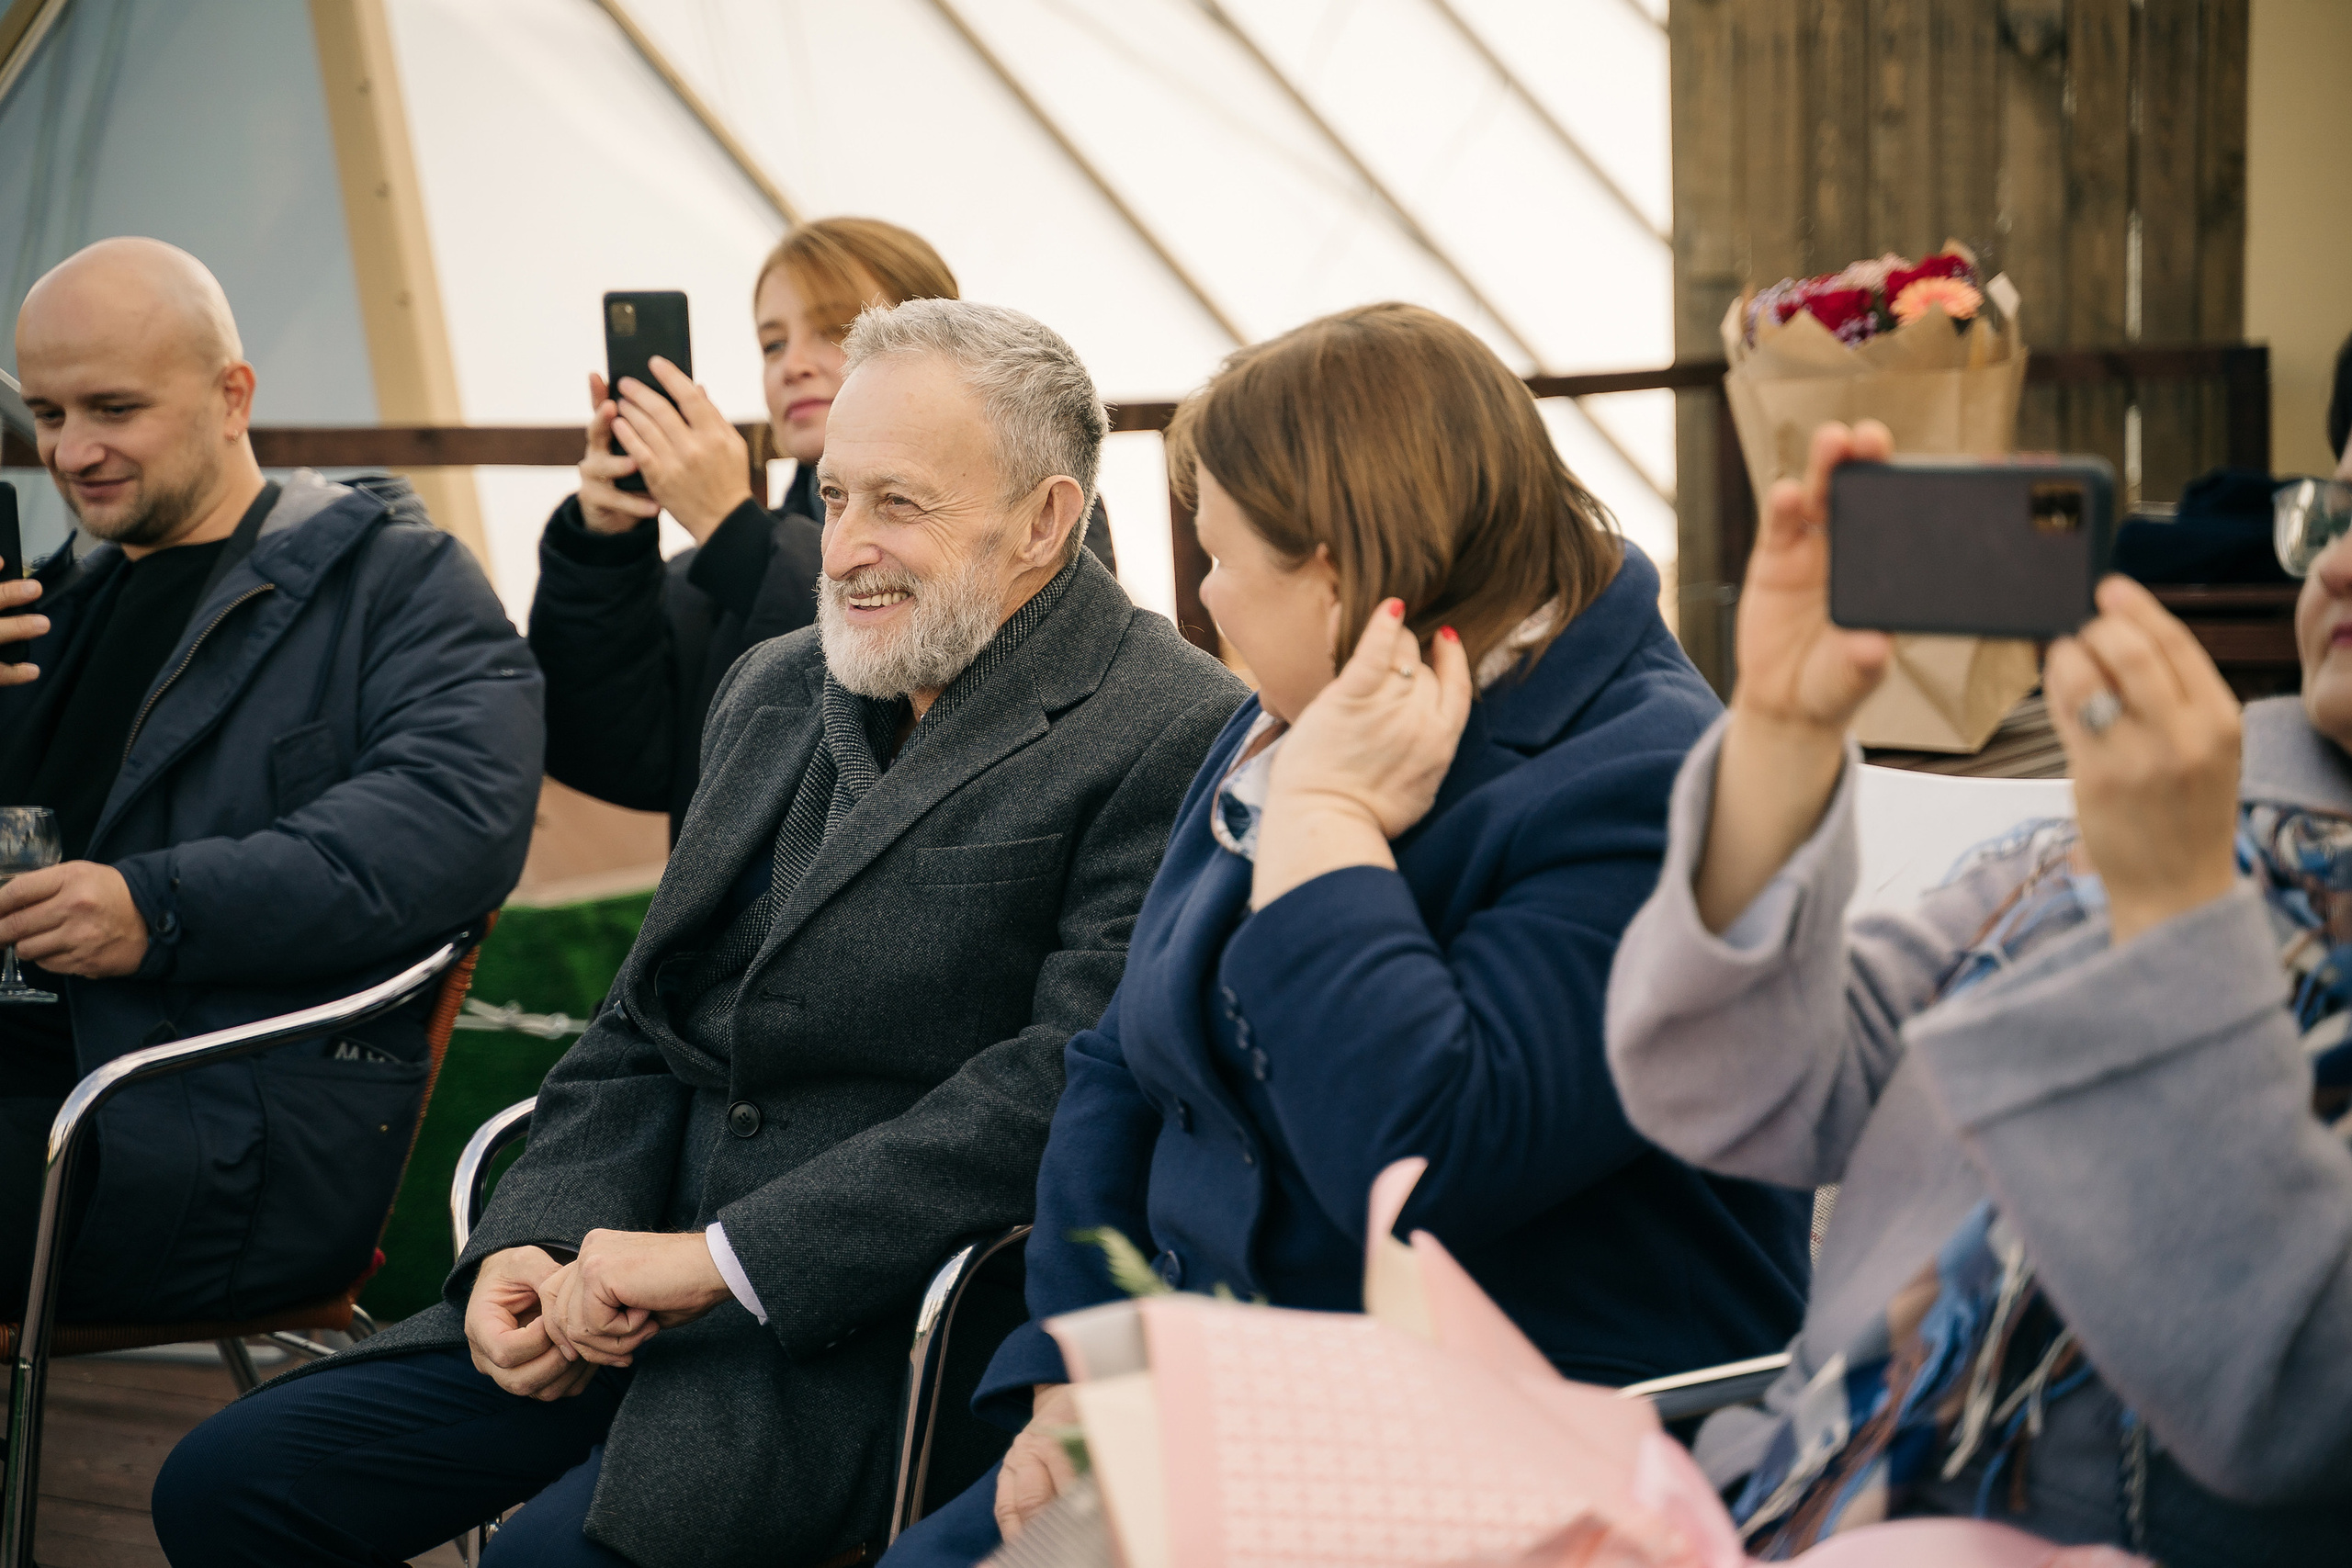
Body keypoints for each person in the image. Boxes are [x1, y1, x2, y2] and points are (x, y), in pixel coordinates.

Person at [153, 299, 1247, 1568]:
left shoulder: (1170, 723)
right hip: (616, 1281)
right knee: (227, 1485)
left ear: (1046, 520)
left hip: (862, 1329)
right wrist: (533, 1240)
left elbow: (1050, 1092)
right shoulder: (776, 683)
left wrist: (719, 1260)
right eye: (833, 497)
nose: (845, 549)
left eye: (898, 504)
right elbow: (639, 1020)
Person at [886, 303, 1814, 1566]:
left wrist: (1325, 830)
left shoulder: (1642, 784)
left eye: (1221, 560)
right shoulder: (1304, 707)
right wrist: (1075, 1362)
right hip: (1223, 1402)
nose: (1204, 604)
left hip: (1515, 1447)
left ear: (1333, 577)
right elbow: (1123, 1059)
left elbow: (1424, 1161)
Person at [1602, 420, 2352, 1563]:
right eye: (2335, 518)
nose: (2337, 565)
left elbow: (2287, 1403)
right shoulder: (2128, 831)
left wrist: (2174, 922)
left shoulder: (2166, 846)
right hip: (1767, 1512)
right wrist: (1781, 737)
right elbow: (1729, 1085)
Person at [0, 237, 540, 1325]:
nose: (72, 451)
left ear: (233, 396)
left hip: (187, 1130)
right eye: (48, 416)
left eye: (114, 409)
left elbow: (450, 824)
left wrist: (154, 910)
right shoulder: (48, 608)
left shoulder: (396, 582)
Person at [530, 216, 1114, 838]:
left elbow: (991, 684)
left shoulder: (1036, 508)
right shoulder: (720, 566)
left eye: (837, 330)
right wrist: (606, 548)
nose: (793, 366)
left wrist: (730, 528)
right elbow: (611, 748)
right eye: (772, 344)